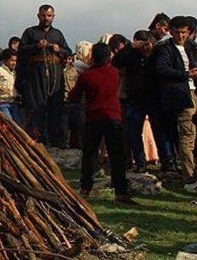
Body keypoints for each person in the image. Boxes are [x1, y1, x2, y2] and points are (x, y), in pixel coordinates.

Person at [67, 43, 136, 205]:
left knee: (90, 154)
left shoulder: (87, 75)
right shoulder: (115, 73)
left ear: (92, 57)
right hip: (114, 116)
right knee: (116, 155)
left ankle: (85, 187)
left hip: (93, 117)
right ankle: (121, 191)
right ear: (109, 57)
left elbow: (74, 97)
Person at [153, 15, 197, 188]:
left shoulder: (192, 48)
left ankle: (196, 172)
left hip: (196, 93)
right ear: (171, 32)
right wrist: (187, 74)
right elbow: (161, 69)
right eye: (177, 32)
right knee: (187, 135)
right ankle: (189, 177)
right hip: (181, 96)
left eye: (184, 32)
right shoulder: (166, 49)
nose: (181, 36)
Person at [113, 30, 172, 173]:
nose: (146, 47)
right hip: (135, 98)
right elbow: (115, 63)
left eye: (148, 44)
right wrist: (129, 48)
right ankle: (140, 162)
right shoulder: (131, 55)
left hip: (155, 97)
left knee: (160, 131)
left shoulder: (158, 54)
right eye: (142, 44)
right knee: (134, 132)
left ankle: (168, 163)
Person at [18, 4, 72, 148]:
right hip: (36, 75)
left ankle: (56, 141)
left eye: (49, 16)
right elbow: (21, 50)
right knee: (36, 108)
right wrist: (36, 46)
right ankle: (37, 140)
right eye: (43, 15)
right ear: (38, 16)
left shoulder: (58, 34)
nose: (46, 18)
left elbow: (68, 51)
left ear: (53, 17)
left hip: (55, 74)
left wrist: (58, 49)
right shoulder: (30, 32)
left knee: (56, 108)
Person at [61, 55, 85, 150]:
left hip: (73, 101)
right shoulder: (60, 71)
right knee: (66, 129)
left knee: (75, 129)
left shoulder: (76, 69)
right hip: (67, 101)